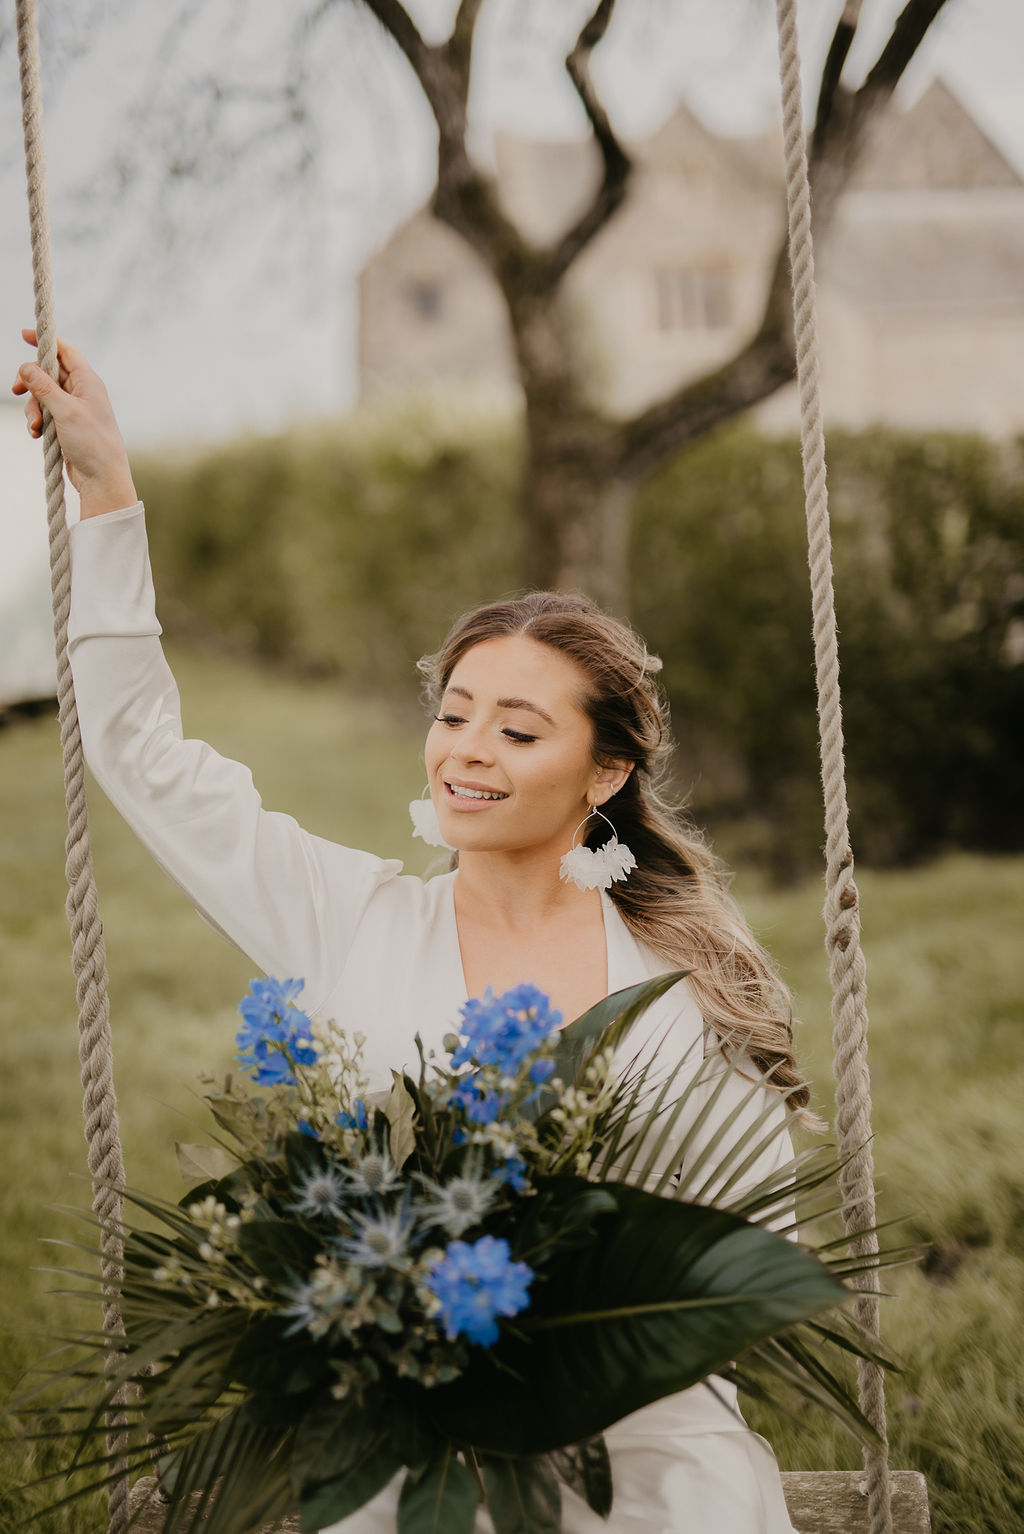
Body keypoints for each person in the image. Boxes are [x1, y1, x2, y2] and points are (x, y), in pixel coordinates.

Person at [14, 333, 808, 1532]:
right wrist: (108, 493)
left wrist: (586, 1347)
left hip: (640, 1418)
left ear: (604, 771)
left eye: (518, 729)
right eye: (453, 713)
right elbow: (148, 762)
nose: (468, 751)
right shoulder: (350, 915)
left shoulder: (680, 982)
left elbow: (750, 1249)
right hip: (404, 1409)